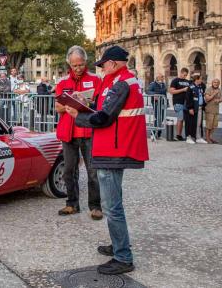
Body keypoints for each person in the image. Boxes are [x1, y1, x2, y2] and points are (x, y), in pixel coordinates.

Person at [64, 45, 148, 275]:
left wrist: (78, 115)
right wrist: (87, 104)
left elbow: (103, 117)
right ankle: (119, 245)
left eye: (103, 64)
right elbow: (103, 108)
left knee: (113, 206)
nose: (101, 68)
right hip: (113, 147)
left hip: (114, 149)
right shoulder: (123, 81)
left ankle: (123, 257)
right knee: (114, 203)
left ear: (113, 63)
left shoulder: (121, 83)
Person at [54, 45, 103, 220]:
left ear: (85, 62)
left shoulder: (96, 80)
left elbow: (99, 105)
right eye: (74, 65)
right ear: (69, 64)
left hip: (87, 130)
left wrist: (86, 102)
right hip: (68, 131)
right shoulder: (62, 82)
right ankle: (72, 203)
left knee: (92, 171)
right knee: (69, 170)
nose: (78, 68)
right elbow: (57, 106)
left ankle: (95, 206)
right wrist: (70, 103)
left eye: (81, 65)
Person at [169, 68, 190, 140]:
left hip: (186, 103)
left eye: (186, 75)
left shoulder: (188, 81)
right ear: (181, 73)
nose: (185, 76)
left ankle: (181, 135)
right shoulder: (175, 80)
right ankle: (178, 135)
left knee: (184, 119)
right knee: (180, 119)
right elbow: (171, 91)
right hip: (178, 102)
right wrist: (183, 90)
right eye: (184, 75)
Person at [184, 74, 204, 144]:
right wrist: (190, 108)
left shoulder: (200, 87)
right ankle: (188, 137)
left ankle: (198, 137)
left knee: (198, 124)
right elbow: (188, 98)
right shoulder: (191, 87)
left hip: (199, 108)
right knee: (190, 123)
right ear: (197, 79)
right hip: (192, 108)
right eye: (200, 79)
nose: (202, 80)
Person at [204, 78, 222, 143]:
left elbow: (221, 98)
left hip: (216, 110)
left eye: (217, 82)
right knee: (209, 125)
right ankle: (207, 138)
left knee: (214, 125)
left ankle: (210, 137)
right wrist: (214, 94)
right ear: (212, 83)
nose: (216, 83)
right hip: (209, 110)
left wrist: (219, 100)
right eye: (214, 82)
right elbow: (207, 99)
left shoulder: (219, 90)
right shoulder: (208, 89)